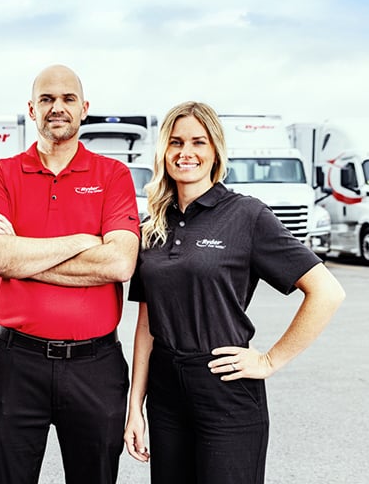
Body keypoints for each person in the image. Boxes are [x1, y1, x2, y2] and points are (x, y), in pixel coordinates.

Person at [123, 101, 346, 484]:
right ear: (163, 150)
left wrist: (270, 361)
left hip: (225, 388)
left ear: (215, 152)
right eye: (175, 142)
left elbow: (327, 291)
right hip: (165, 394)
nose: (185, 153)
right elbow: (147, 322)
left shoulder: (246, 215)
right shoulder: (153, 226)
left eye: (198, 142)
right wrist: (135, 406)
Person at [0, 64, 141, 484]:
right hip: (12, 363)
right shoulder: (3, 173)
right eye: (46, 99)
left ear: (84, 109)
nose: (57, 108)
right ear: (32, 109)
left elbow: (119, 263)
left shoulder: (113, 175)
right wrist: (85, 240)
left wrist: (22, 254)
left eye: (67, 99)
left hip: (94, 365)